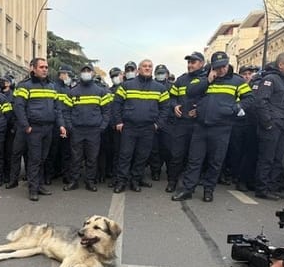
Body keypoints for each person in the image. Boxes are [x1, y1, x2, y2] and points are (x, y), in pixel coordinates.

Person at [172, 52, 253, 202]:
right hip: (201, 126)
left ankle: (208, 190)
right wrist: (207, 81)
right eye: (217, 67)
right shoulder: (203, 79)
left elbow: (249, 98)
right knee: (194, 160)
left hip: (222, 128)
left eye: (223, 66)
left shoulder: (237, 81)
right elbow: (190, 92)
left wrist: (236, 108)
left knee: (216, 161)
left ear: (228, 64)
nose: (221, 70)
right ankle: (188, 189)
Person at [13, 57, 67, 201]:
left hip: (48, 128)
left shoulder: (51, 86)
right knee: (35, 159)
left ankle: (40, 185)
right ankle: (33, 189)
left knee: (43, 159)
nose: (45, 70)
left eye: (46, 67)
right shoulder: (24, 86)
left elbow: (57, 109)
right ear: (34, 69)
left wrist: (61, 125)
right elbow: (19, 107)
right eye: (41, 67)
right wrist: (26, 127)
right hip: (34, 129)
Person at [112, 59, 169, 193]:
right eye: (144, 66)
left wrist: (158, 124)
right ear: (138, 69)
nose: (147, 68)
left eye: (150, 66)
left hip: (148, 128)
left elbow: (165, 108)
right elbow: (117, 105)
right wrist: (119, 121)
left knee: (142, 156)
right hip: (129, 127)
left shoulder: (160, 88)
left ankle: (135, 180)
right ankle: (121, 181)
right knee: (125, 155)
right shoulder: (126, 85)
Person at [63, 63, 112, 192]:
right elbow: (66, 111)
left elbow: (107, 111)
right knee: (75, 158)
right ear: (80, 73)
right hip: (77, 130)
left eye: (88, 70)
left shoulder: (101, 91)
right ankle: (73, 181)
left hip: (94, 130)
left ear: (93, 73)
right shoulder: (72, 92)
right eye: (84, 71)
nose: (86, 73)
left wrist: (102, 127)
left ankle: (90, 181)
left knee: (92, 157)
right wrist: (70, 127)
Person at [254, 53, 284, 200]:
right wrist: (268, 123)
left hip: (282, 126)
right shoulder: (270, 79)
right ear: (281, 65)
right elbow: (261, 102)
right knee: (267, 158)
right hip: (272, 126)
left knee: (279, 158)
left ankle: (272, 187)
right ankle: (262, 188)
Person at [166, 52, 206, 193]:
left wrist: (200, 109)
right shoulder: (181, 80)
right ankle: (172, 181)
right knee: (176, 155)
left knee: (194, 158)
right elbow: (171, 98)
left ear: (201, 63)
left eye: (193, 62)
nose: (190, 65)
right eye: (188, 62)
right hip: (181, 124)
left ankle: (189, 184)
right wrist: (174, 105)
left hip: (198, 125)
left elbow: (212, 100)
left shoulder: (207, 79)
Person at [44, 65, 72, 185]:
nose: (69, 77)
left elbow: (70, 108)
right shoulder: (53, 87)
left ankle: (61, 175)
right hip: (56, 124)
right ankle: (51, 174)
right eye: (68, 74)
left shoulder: (67, 89)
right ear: (62, 74)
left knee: (64, 152)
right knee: (53, 151)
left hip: (63, 124)